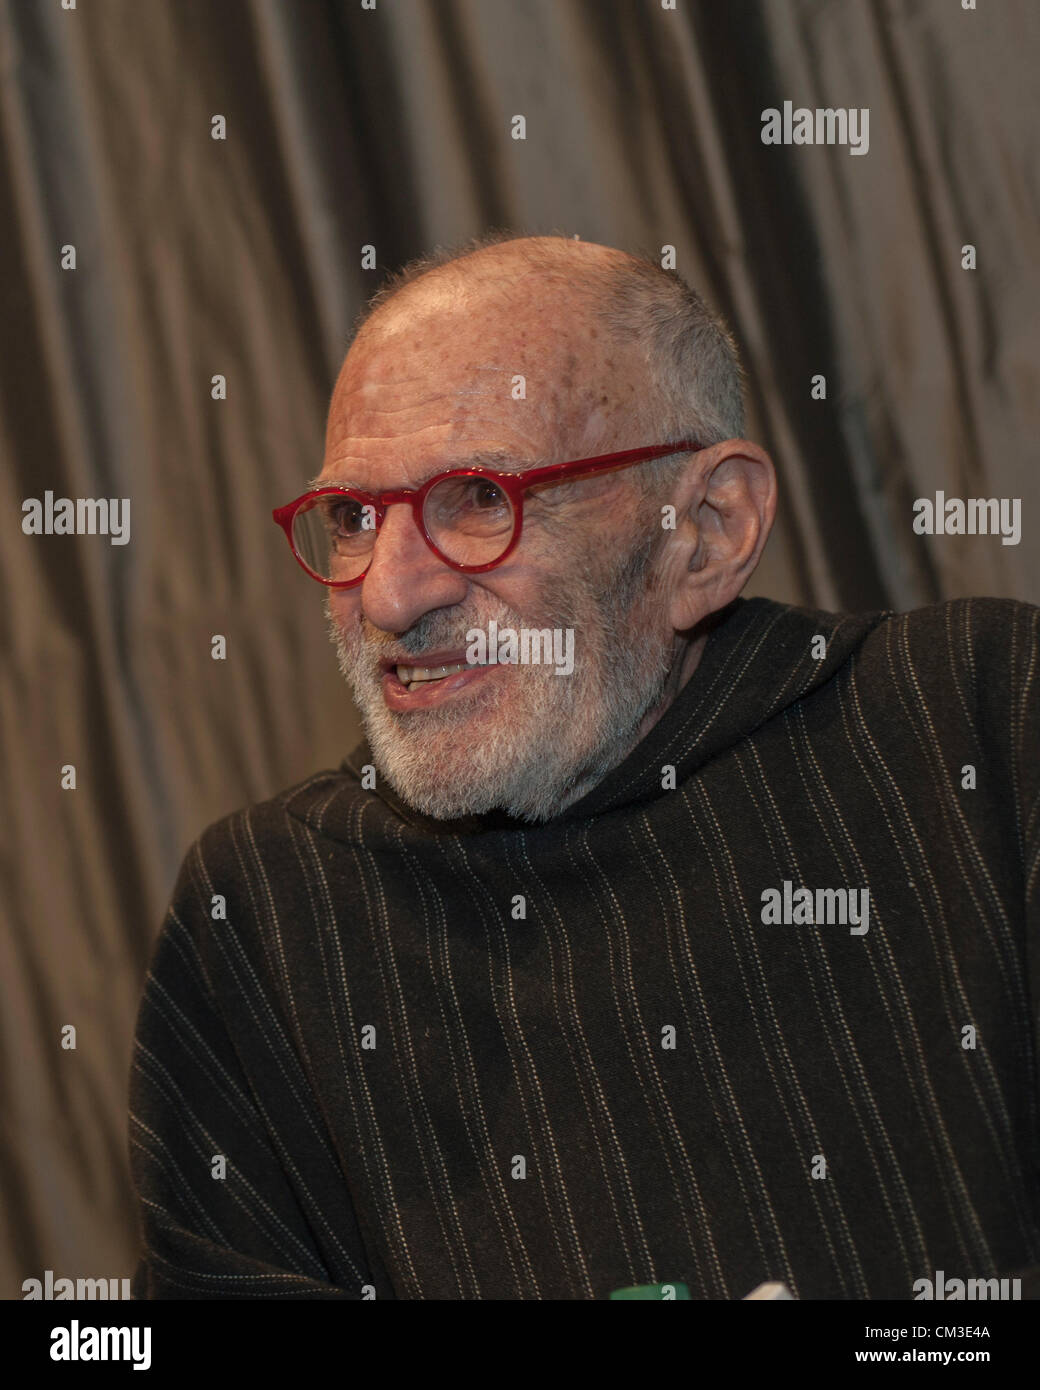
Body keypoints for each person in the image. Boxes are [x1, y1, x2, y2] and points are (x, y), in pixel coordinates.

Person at [129, 233, 1040, 1300]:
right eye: (353, 516)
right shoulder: (271, 908)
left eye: (477, 499)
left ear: (703, 530)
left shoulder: (975, 723)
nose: (387, 594)